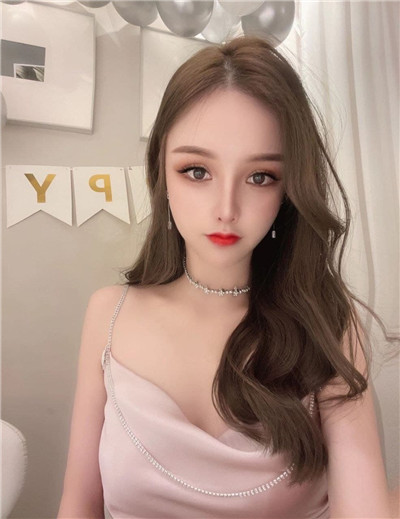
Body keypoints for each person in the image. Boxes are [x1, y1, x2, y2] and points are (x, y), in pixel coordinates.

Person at [57, 36, 394, 518]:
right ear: (161, 174)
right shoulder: (108, 314)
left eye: (260, 176)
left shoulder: (330, 324)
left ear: (289, 191)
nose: (226, 209)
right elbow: (78, 504)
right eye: (197, 171)